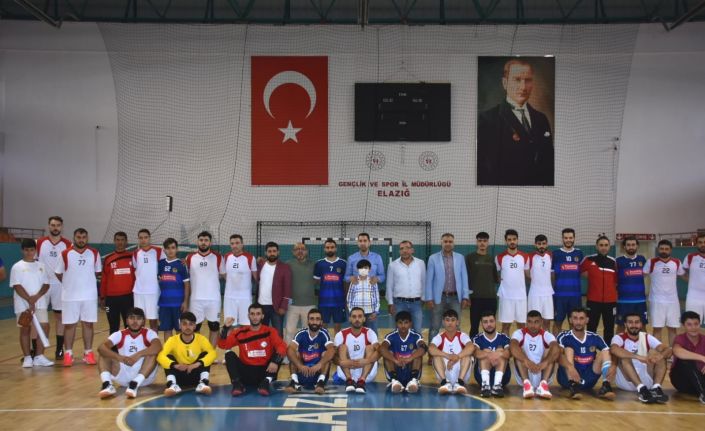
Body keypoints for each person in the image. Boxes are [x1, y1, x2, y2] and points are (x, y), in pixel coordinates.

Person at [477, 58, 554, 186]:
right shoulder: (488, 119)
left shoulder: (541, 119)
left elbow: (549, 164)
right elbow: (486, 171)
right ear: (505, 83)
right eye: (517, 79)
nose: (523, 87)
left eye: (528, 80)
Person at [55, 228, 101, 367]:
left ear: (87, 238)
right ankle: (68, 354)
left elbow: (97, 272)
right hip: (70, 297)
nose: (81, 240)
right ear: (74, 238)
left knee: (88, 324)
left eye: (83, 237)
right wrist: (69, 284)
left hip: (89, 296)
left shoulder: (94, 253)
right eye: (78, 237)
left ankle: (88, 353)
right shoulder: (65, 254)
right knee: (70, 325)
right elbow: (58, 273)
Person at [218, 303, 287, 396]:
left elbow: (282, 346)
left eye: (258, 314)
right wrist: (225, 328)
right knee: (228, 354)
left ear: (262, 316)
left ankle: (266, 383)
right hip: (246, 373)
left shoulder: (270, 331)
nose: (255, 317)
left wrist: (275, 361)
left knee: (279, 352)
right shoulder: (240, 332)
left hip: (265, 372)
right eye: (252, 314)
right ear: (248, 316)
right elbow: (223, 345)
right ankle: (237, 384)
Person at [97, 307, 161, 399]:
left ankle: (135, 384)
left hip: (144, 378)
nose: (135, 321)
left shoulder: (149, 333)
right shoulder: (119, 334)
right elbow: (101, 348)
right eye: (132, 318)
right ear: (127, 321)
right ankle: (107, 384)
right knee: (104, 353)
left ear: (143, 321)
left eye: (138, 318)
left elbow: (158, 347)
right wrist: (121, 358)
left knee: (153, 353)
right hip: (123, 374)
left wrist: (138, 355)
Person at [609, 312, 671, 404]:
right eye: (630, 322)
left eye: (637, 322)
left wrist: (659, 356)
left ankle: (656, 388)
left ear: (641, 324)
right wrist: (639, 357)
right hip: (626, 381)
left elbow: (668, 350)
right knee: (624, 357)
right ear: (625, 324)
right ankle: (641, 389)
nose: (634, 325)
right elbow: (614, 349)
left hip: (645, 379)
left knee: (659, 355)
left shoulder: (646, 337)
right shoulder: (619, 337)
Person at [11, 239, 53, 367]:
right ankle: (27, 357)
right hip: (22, 304)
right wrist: (29, 300)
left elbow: (46, 284)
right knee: (25, 328)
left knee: (45, 326)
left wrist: (36, 297)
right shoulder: (17, 267)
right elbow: (17, 286)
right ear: (22, 250)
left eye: (32, 250)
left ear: (35, 250)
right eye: (26, 250)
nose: (29, 252)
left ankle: (39, 356)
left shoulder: (41, 266)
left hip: (40, 303)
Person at [557, 307, 615, 400]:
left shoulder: (594, 337)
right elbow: (556, 355)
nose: (578, 322)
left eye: (581, 318)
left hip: (588, 379)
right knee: (568, 349)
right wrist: (570, 367)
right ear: (570, 320)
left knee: (605, 352)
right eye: (575, 318)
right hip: (566, 378)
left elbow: (610, 353)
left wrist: (613, 366)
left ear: (587, 320)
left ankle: (606, 385)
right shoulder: (563, 336)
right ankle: (573, 386)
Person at [35, 216, 72, 359]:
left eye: (58, 225)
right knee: (39, 317)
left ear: (62, 227)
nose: (55, 227)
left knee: (59, 317)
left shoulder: (68, 244)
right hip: (42, 284)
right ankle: (36, 350)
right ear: (48, 226)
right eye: (52, 225)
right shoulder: (40, 242)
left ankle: (59, 349)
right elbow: (33, 262)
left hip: (59, 285)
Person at [425, 233, 470, 347]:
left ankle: (457, 349)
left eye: (450, 241)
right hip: (439, 297)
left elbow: (464, 277)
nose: (448, 244)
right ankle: (432, 352)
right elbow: (429, 280)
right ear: (441, 242)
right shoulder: (433, 258)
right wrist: (429, 298)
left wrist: (465, 296)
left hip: (455, 298)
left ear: (454, 243)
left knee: (456, 326)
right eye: (445, 241)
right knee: (435, 326)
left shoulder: (460, 258)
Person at [157, 311, 215, 396]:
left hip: (196, 375)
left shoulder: (201, 339)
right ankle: (172, 385)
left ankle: (203, 383)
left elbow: (213, 354)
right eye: (184, 324)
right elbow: (160, 356)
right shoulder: (172, 340)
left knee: (206, 354)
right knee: (168, 357)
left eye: (191, 324)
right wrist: (175, 365)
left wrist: (197, 364)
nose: (187, 327)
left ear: (195, 326)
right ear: (180, 325)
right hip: (179, 375)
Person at [510, 310, 559, 399]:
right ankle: (527, 385)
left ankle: (543, 385)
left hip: (543, 371)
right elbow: (513, 347)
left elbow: (556, 349)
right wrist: (526, 361)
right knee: (518, 350)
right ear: (526, 322)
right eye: (530, 322)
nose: (533, 325)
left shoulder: (547, 335)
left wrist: (545, 362)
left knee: (551, 352)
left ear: (541, 322)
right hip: (524, 371)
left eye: (536, 322)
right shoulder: (519, 333)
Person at [643, 240, 684, 345]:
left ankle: (673, 352)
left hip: (673, 301)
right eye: (661, 249)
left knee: (672, 328)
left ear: (670, 250)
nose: (664, 251)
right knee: (657, 328)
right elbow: (641, 276)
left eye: (666, 249)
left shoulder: (677, 262)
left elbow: (684, 276)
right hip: (656, 301)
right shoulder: (651, 262)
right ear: (658, 249)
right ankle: (658, 352)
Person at [285, 308, 335, 394]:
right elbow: (290, 349)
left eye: (317, 319)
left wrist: (319, 364)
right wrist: (300, 365)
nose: (314, 322)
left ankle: (320, 383)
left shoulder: (324, 333)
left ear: (321, 322)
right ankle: (294, 381)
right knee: (294, 353)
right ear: (308, 321)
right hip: (303, 371)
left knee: (326, 354)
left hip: (318, 372)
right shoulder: (301, 333)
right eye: (312, 319)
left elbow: (331, 350)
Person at [186, 231, 223, 348]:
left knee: (214, 327)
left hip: (214, 300)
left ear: (210, 242)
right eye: (201, 240)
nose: (203, 242)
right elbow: (185, 279)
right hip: (195, 300)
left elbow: (225, 275)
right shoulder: (190, 257)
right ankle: (196, 352)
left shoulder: (218, 257)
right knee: (195, 327)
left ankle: (210, 354)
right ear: (197, 242)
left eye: (206, 240)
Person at [580, 236, 618, 344]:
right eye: (601, 245)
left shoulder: (613, 262)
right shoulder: (588, 259)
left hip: (610, 302)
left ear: (609, 247)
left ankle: (608, 350)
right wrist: (593, 278)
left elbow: (616, 281)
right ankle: (591, 350)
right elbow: (580, 272)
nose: (603, 247)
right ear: (596, 246)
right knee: (591, 328)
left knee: (609, 328)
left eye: (606, 245)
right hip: (593, 301)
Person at [334, 307, 379, 394]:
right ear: (350, 319)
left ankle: (362, 381)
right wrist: (342, 362)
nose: (357, 319)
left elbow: (380, 351)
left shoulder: (370, 332)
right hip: (346, 371)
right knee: (342, 347)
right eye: (354, 317)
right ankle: (349, 380)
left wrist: (367, 361)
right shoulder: (341, 334)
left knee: (370, 348)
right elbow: (333, 356)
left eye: (360, 316)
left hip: (366, 372)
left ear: (364, 319)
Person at [428, 309, 474, 395]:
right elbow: (431, 349)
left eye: (453, 320)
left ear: (457, 322)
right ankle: (445, 382)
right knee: (436, 356)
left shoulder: (462, 336)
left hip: (461, 372)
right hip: (445, 372)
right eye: (447, 320)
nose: (450, 323)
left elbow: (471, 347)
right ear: (443, 322)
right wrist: (448, 356)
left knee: (468, 355)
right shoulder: (439, 337)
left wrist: (457, 357)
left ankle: (459, 382)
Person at [379, 311, 426, 393]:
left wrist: (409, 359)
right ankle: (394, 380)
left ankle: (413, 380)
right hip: (396, 368)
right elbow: (382, 349)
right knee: (388, 352)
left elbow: (423, 348)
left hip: (410, 368)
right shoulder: (391, 336)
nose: (403, 326)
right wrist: (395, 361)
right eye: (400, 323)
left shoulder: (416, 336)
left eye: (406, 323)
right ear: (396, 324)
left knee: (417, 352)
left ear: (410, 323)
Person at [386, 240, 426, 335]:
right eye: (402, 248)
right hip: (399, 304)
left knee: (417, 331)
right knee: (399, 331)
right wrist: (390, 303)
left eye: (407, 248)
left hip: (416, 304)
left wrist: (423, 298)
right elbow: (389, 285)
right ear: (399, 251)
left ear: (412, 250)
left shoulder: (420, 263)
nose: (404, 250)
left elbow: (424, 281)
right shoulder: (392, 265)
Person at [100, 231, 135, 334]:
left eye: (122, 240)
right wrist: (102, 297)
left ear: (126, 242)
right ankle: (114, 345)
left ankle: (129, 344)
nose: (120, 242)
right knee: (113, 326)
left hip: (128, 297)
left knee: (130, 326)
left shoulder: (133, 257)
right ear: (114, 241)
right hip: (111, 299)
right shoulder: (108, 259)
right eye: (118, 240)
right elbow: (104, 279)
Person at [496, 229, 529, 335]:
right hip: (506, 297)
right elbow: (497, 275)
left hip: (521, 297)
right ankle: (505, 344)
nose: (512, 241)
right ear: (506, 241)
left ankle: (522, 344)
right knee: (506, 326)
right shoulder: (499, 257)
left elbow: (528, 275)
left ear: (517, 240)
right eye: (509, 239)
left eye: (514, 239)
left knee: (522, 325)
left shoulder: (525, 257)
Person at [551, 228, 584, 335]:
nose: (568, 240)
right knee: (557, 322)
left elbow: (583, 272)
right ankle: (556, 343)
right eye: (566, 238)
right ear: (562, 239)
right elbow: (552, 275)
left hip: (575, 296)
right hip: (559, 296)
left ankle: (572, 342)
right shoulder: (556, 254)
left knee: (574, 323)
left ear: (574, 238)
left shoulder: (579, 253)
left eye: (570, 238)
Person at [466, 232, 499, 338]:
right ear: (476, 242)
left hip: (491, 298)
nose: (482, 243)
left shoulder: (491, 258)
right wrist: (467, 296)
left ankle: (491, 344)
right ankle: (473, 346)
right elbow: (465, 278)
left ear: (488, 243)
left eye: (484, 241)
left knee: (490, 326)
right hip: (475, 298)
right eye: (480, 241)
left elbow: (496, 278)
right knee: (474, 326)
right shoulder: (469, 258)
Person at [472, 310, 512, 398]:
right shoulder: (477, 338)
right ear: (481, 324)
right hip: (481, 376)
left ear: (495, 321)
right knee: (484, 353)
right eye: (485, 322)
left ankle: (497, 386)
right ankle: (485, 385)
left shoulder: (503, 337)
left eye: (491, 321)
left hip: (503, 378)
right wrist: (488, 354)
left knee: (501, 352)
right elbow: (476, 353)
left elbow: (509, 353)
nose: (489, 324)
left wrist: (499, 354)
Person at [222, 234, 258, 328]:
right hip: (229, 298)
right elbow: (223, 274)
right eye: (232, 243)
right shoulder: (226, 257)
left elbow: (256, 278)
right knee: (229, 325)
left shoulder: (250, 258)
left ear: (242, 244)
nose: (234, 245)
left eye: (237, 243)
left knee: (246, 325)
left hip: (245, 298)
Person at [256, 241, 291, 337]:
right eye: (269, 251)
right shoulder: (261, 265)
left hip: (277, 307)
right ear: (265, 253)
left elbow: (287, 289)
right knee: (262, 333)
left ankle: (278, 348)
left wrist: (284, 306)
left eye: (274, 251)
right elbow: (256, 279)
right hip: (261, 305)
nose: (272, 253)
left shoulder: (285, 267)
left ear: (278, 252)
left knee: (278, 333)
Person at [157, 238, 190, 341]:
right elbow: (159, 280)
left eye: (173, 248)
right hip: (164, 304)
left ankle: (179, 350)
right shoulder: (160, 263)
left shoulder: (181, 264)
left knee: (179, 330)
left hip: (178, 304)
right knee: (167, 329)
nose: (170, 250)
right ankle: (168, 350)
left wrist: (185, 302)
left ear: (177, 249)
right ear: (164, 250)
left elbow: (187, 284)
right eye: (168, 248)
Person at [132, 229, 164, 332]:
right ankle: (141, 341)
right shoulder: (135, 253)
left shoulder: (158, 251)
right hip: (139, 292)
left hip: (153, 292)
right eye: (141, 238)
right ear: (138, 239)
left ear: (149, 238)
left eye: (145, 237)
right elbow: (135, 269)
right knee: (138, 321)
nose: (143, 240)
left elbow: (165, 266)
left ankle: (154, 341)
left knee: (153, 321)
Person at [670, 311, 705, 404]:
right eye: (689, 324)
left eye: (696, 324)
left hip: (701, 377)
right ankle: (703, 394)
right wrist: (703, 358)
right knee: (685, 361)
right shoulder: (680, 338)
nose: (693, 327)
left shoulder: (704, 339)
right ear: (683, 326)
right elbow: (677, 351)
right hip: (682, 380)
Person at [615, 236, 648, 334]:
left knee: (642, 326)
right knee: (621, 326)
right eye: (628, 245)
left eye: (633, 245)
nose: (631, 247)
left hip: (640, 300)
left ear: (637, 246)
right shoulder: (618, 261)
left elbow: (645, 274)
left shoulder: (642, 259)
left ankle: (643, 344)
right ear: (624, 247)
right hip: (623, 301)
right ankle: (618, 344)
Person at [285, 243, 316, 344]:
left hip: (309, 304)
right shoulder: (288, 264)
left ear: (307, 251)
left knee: (308, 331)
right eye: (297, 249)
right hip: (292, 304)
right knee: (290, 331)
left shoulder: (314, 264)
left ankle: (307, 351)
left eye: (302, 249)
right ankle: (288, 352)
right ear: (293, 252)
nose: (300, 251)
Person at [313, 239, 347, 332]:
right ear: (324, 249)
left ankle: (337, 341)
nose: (330, 249)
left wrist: (346, 298)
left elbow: (345, 283)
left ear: (336, 248)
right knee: (323, 324)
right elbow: (316, 281)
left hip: (339, 301)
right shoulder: (319, 263)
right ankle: (325, 340)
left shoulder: (343, 263)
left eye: (332, 247)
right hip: (324, 301)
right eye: (327, 247)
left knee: (338, 325)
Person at [526, 234, 554, 330]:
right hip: (534, 295)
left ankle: (545, 339)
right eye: (539, 244)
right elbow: (527, 275)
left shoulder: (551, 256)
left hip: (548, 294)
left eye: (543, 243)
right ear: (535, 245)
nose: (541, 246)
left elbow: (552, 274)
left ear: (547, 244)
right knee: (533, 322)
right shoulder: (529, 257)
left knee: (547, 321)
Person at [346, 259, 380, 333]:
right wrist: (351, 311)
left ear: (369, 269)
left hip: (370, 313)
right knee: (356, 333)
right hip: (356, 313)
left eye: (365, 268)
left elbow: (377, 297)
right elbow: (349, 298)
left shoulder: (373, 281)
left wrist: (376, 312)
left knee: (372, 333)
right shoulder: (354, 282)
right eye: (361, 268)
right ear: (357, 269)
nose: (363, 270)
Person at [683, 233, 705, 321]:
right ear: (696, 244)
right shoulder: (690, 257)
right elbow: (683, 272)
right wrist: (692, 281)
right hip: (693, 297)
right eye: (700, 242)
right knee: (692, 323)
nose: (703, 244)